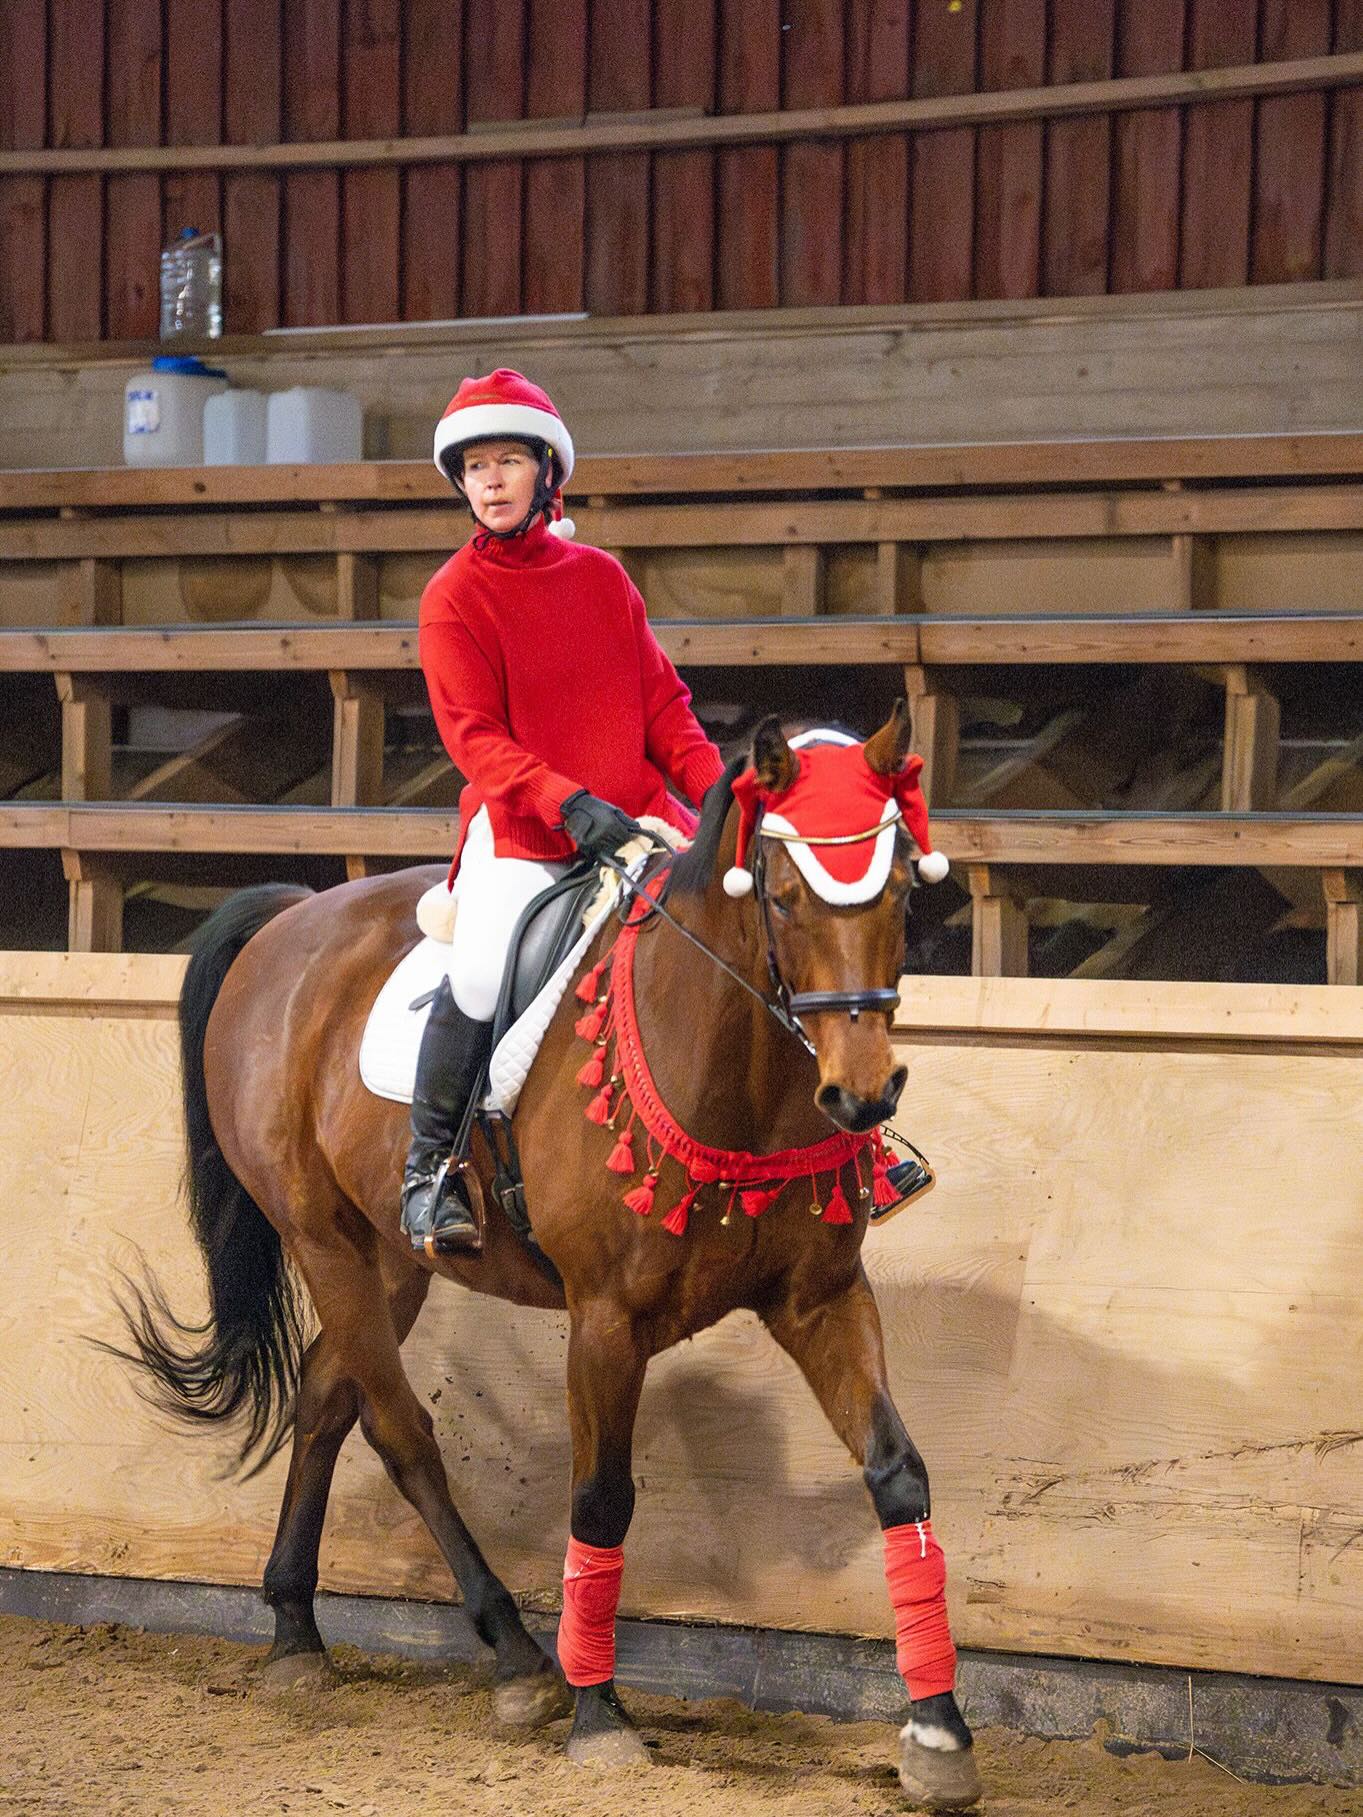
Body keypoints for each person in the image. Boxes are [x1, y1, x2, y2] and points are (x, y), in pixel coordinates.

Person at [404, 369, 726, 1254]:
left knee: (749, 922)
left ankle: (845, 1144)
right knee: (475, 974)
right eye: (475, 467)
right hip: (525, 830)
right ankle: (430, 1171)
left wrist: (719, 795)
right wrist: (566, 800)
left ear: (547, 472)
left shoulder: (604, 579)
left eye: (508, 460)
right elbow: (474, 739)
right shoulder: (452, 597)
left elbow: (665, 711)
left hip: (636, 823)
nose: (492, 480)